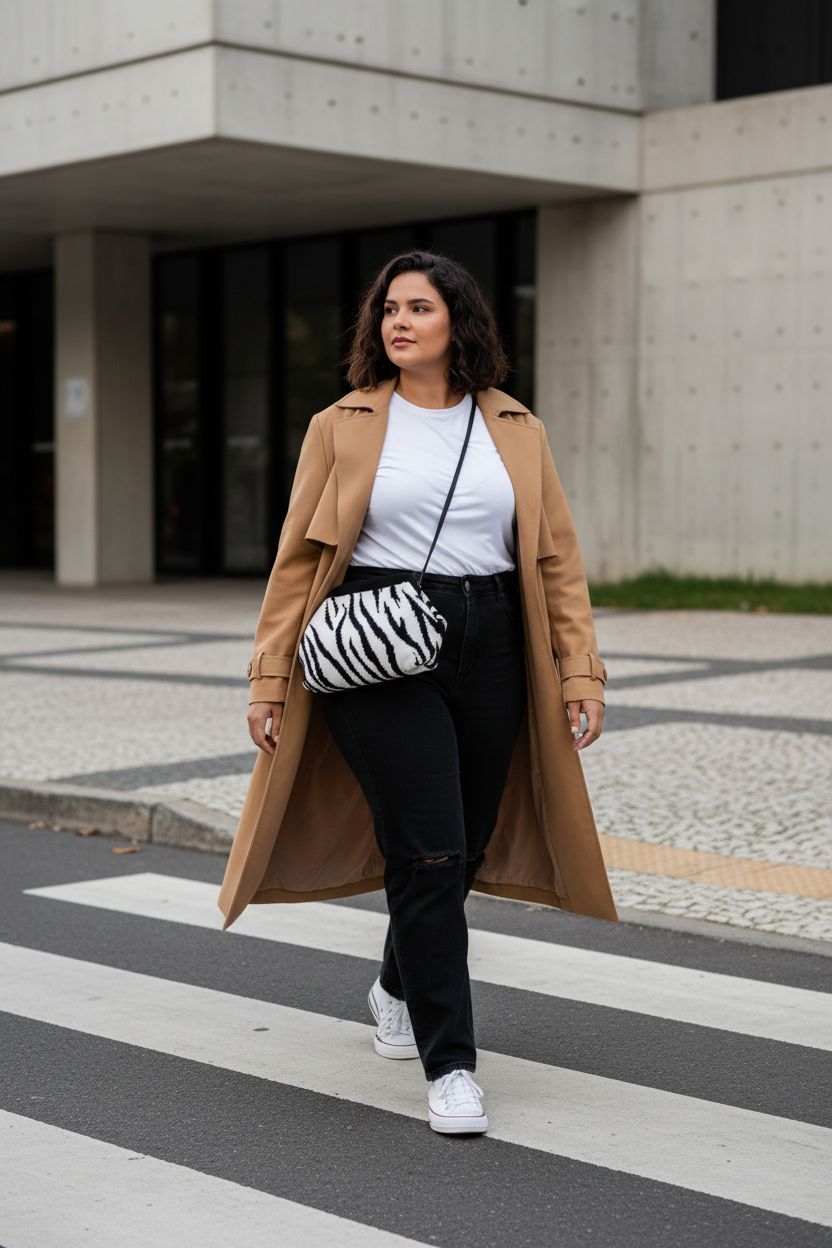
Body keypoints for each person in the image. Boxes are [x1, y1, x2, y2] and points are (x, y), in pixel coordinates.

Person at [243, 249, 607, 1137]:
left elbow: (555, 558)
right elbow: (298, 557)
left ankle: (397, 982)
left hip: (491, 639)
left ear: (459, 323)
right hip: (381, 639)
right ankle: (452, 1067)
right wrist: (270, 677)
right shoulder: (344, 423)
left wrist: (578, 668)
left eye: (419, 308)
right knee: (433, 851)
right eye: (389, 310)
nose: (398, 322)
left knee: (467, 842)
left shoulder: (516, 426)